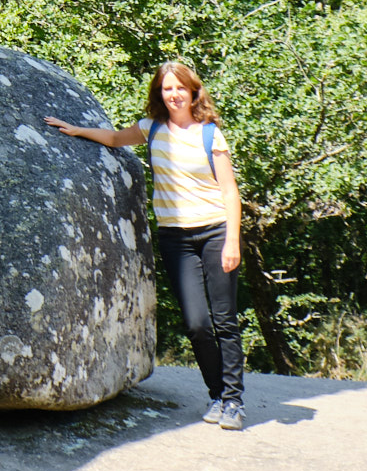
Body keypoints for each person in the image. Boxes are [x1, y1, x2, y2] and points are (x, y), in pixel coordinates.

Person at [46, 60, 247, 431]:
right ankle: (217, 393)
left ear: (192, 92)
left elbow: (230, 191)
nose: (173, 95)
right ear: (160, 93)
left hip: (216, 233)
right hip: (176, 238)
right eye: (166, 89)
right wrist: (74, 130)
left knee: (224, 321)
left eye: (180, 88)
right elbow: (112, 139)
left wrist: (232, 240)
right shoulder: (151, 129)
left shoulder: (210, 135)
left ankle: (233, 401)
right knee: (196, 323)